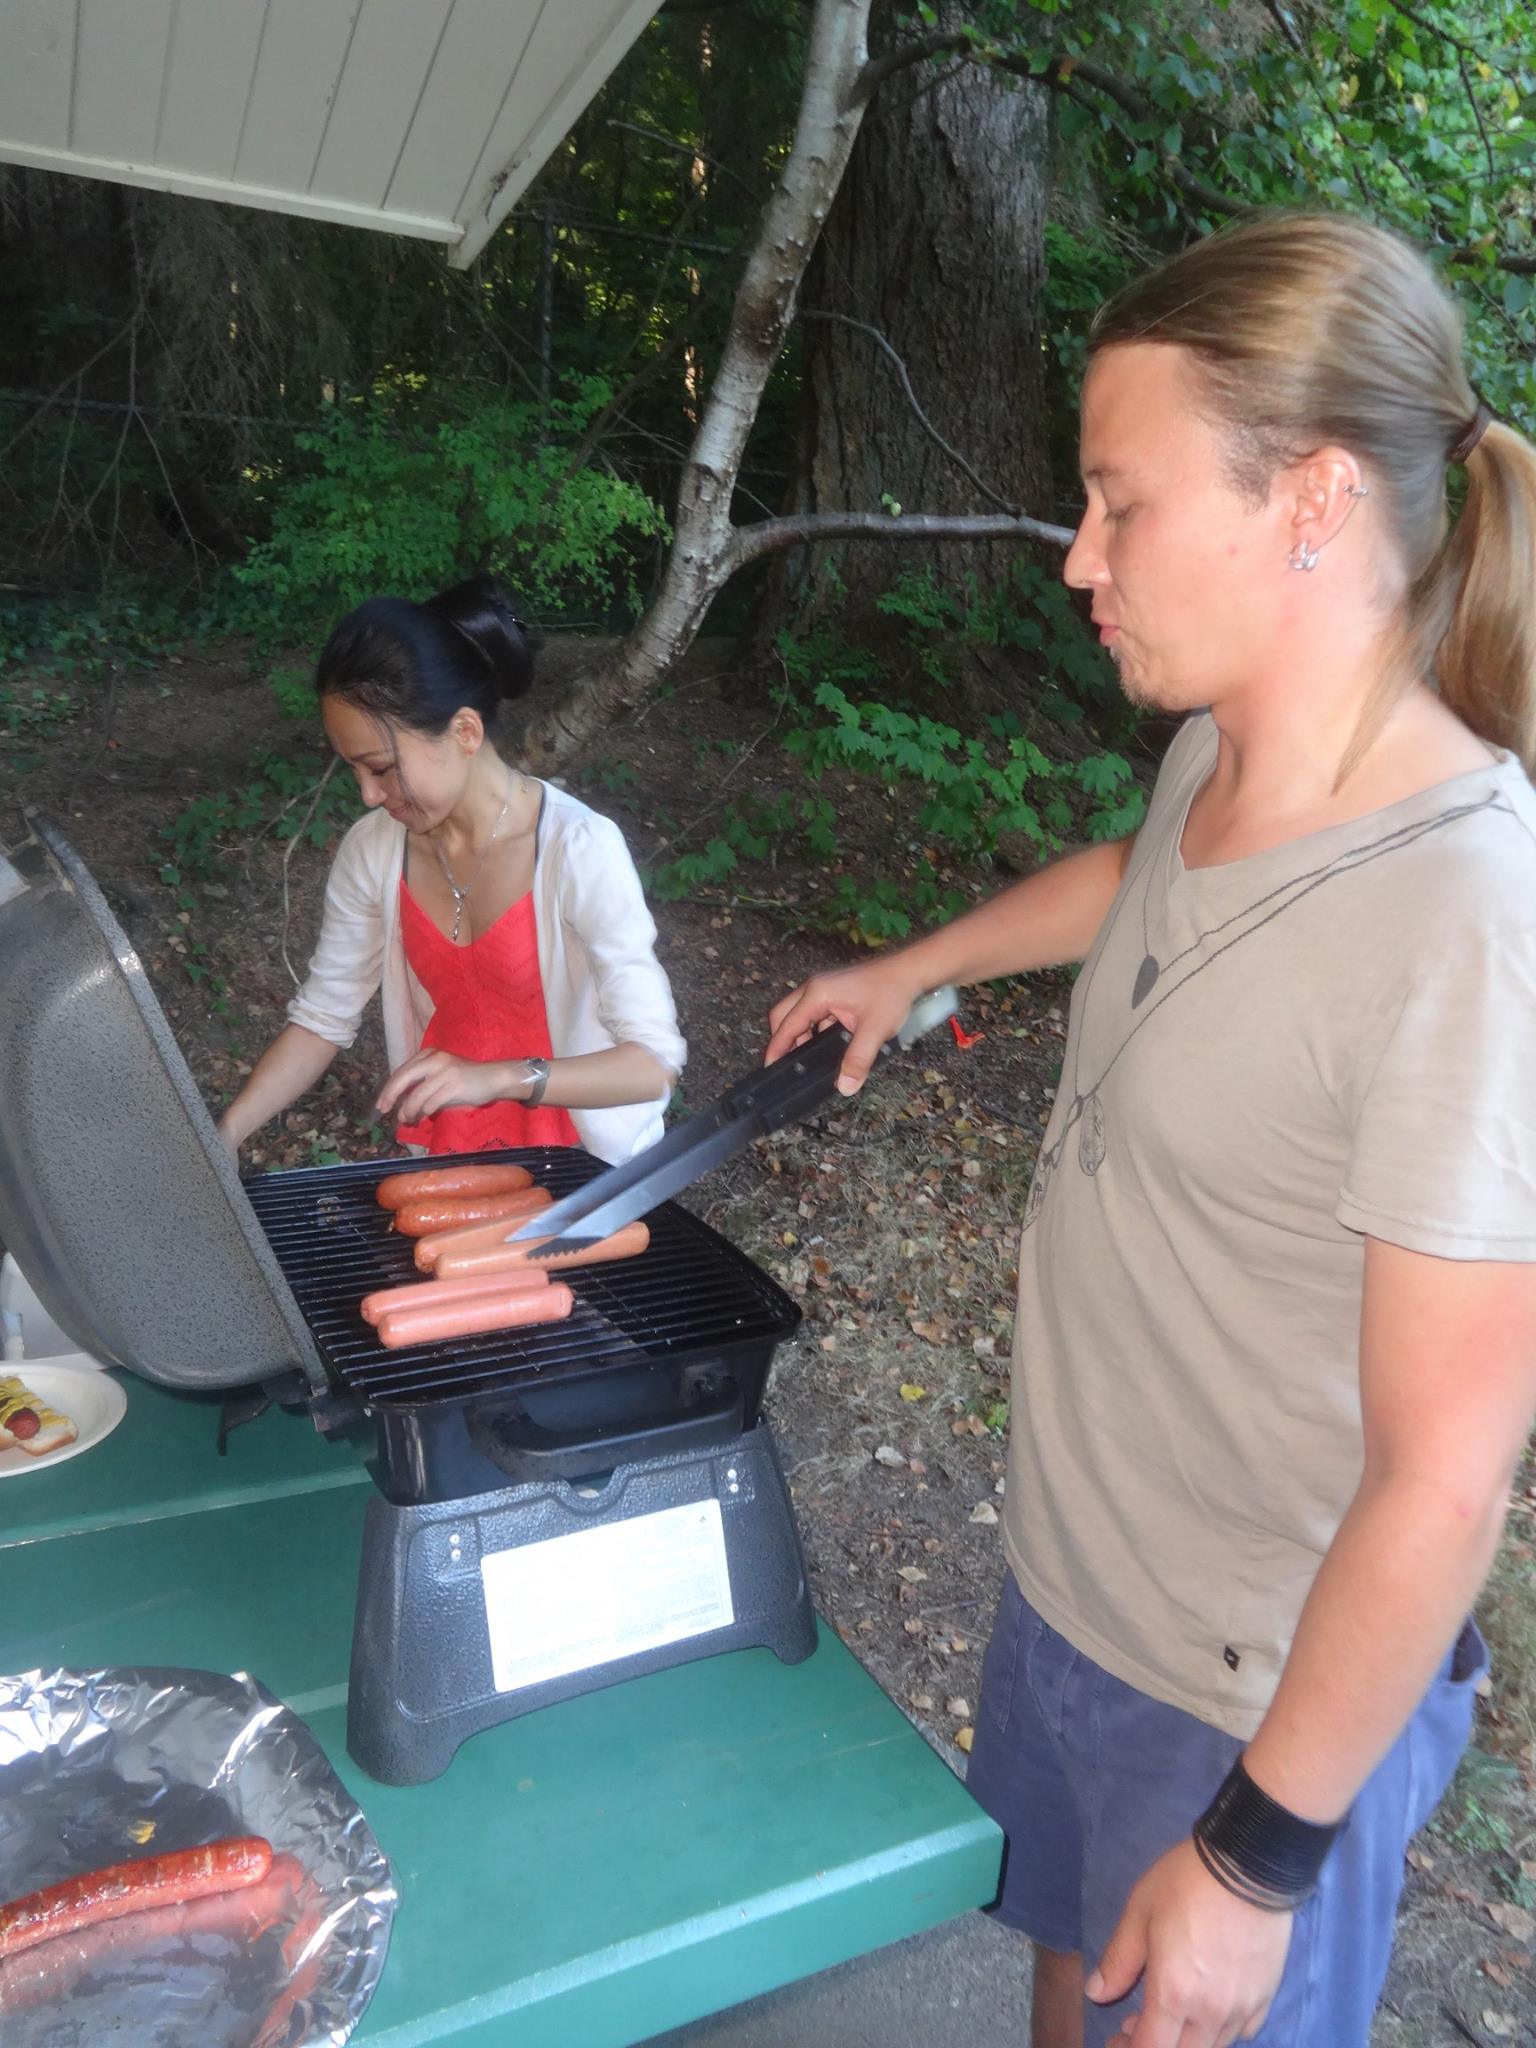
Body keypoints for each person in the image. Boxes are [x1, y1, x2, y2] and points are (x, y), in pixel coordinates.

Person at [766, 211, 1536, 2048]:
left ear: (1312, 502)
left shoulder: (1464, 920)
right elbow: (1142, 874)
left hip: (1245, 1696)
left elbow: (1446, 1470)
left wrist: (1257, 1855)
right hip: (1078, 1590)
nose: (1076, 560)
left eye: (1121, 504)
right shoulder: (1225, 742)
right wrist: (918, 963)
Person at [220, 575, 684, 1165]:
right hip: (449, 1160)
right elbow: (322, 1018)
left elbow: (652, 1064)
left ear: (465, 731)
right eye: (353, 771)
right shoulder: (374, 851)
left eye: (382, 768)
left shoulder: (579, 849)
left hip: (585, 1173)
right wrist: (228, 1131)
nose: (366, 794)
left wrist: (499, 1078)